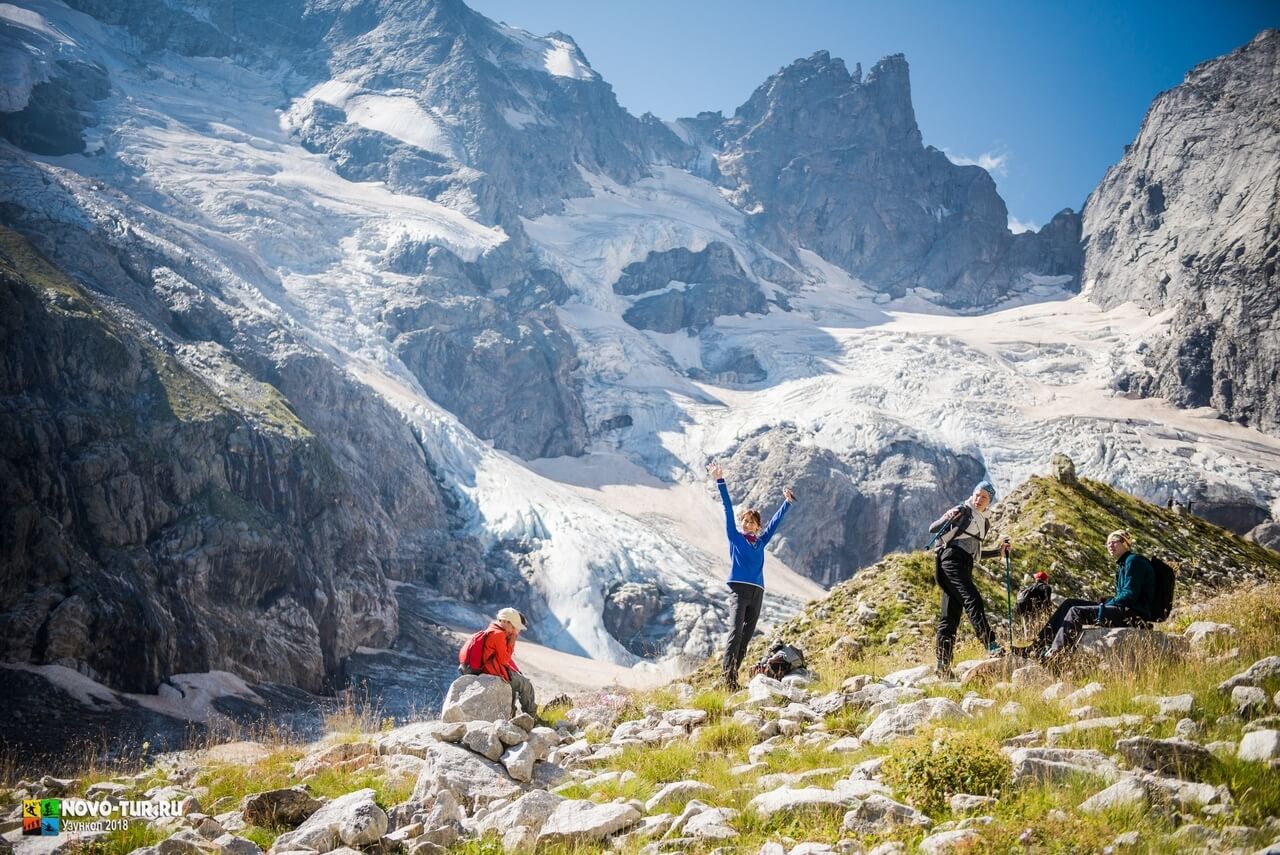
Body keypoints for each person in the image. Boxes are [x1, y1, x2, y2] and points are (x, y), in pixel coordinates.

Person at [708, 463, 796, 691]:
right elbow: (727, 508)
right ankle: (727, 681)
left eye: (750, 522)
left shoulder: (760, 541)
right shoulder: (735, 537)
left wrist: (786, 503)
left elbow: (775, 524)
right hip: (739, 589)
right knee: (735, 633)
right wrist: (720, 480)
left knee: (746, 638)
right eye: (744, 521)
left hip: (757, 591)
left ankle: (734, 678)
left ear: (757, 527)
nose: (745, 524)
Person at [1014, 529, 1155, 663]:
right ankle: (1037, 646)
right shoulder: (1124, 564)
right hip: (1125, 610)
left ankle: (1056, 654)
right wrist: (1109, 601)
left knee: (1076, 611)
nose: (1110, 545)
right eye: (1108, 543)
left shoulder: (1133, 561)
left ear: (1126, 543)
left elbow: (1129, 596)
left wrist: (1107, 603)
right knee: (1069, 603)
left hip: (1134, 614)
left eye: (1115, 541)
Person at [929, 480, 1013, 680]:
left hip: (965, 565)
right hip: (950, 560)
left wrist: (998, 553)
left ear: (989, 502)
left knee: (950, 616)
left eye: (984, 497)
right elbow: (933, 529)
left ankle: (943, 666)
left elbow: (975, 553)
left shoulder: (984, 522)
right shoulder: (962, 510)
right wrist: (947, 518)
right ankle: (991, 645)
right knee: (973, 599)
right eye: (977, 494)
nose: (978, 499)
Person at [458, 607, 536, 717]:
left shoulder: (493, 630)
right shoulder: (498, 635)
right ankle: (532, 717)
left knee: (514, 686)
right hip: (492, 670)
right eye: (515, 627)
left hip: (486, 668)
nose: (517, 631)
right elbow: (504, 659)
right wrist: (511, 643)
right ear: (507, 622)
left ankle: (511, 715)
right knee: (526, 685)